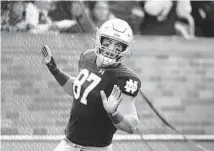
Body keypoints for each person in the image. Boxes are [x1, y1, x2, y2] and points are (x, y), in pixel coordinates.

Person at [41, 19, 141, 151]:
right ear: (99, 40)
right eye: (108, 43)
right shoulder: (87, 57)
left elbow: (131, 126)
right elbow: (79, 89)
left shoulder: (124, 78)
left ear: (125, 50)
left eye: (118, 46)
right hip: (68, 143)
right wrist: (54, 69)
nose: (111, 50)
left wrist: (114, 112)